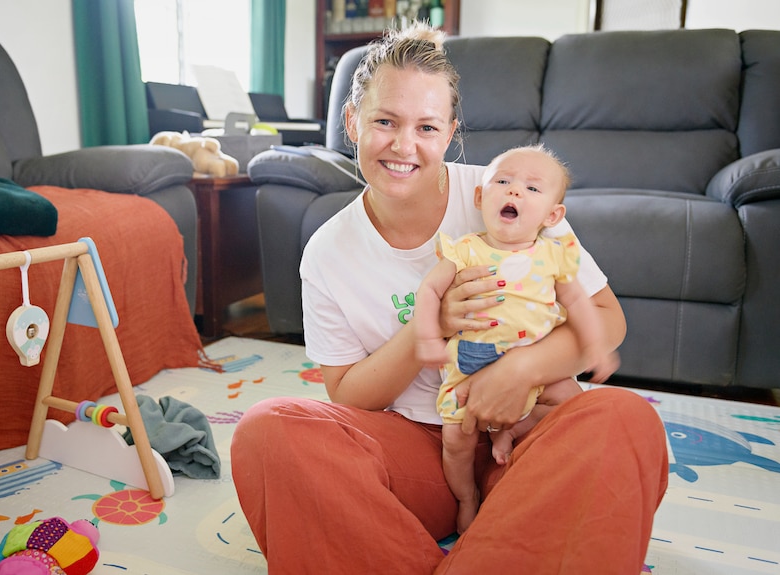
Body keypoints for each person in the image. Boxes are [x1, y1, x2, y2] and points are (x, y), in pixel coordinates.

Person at [231, 22, 668, 574]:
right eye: (384, 121)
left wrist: (520, 372)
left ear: (450, 132)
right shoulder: (327, 250)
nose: (403, 145)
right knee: (270, 432)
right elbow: (346, 394)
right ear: (351, 121)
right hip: (425, 453)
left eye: (427, 127)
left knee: (624, 419)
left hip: (533, 437)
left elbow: (606, 320)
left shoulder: (508, 191)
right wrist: (425, 329)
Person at [415, 144, 620, 533]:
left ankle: (513, 440)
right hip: (471, 367)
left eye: (532, 188)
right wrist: (427, 337)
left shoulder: (554, 257)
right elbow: (429, 292)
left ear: (553, 214)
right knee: (456, 440)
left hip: (538, 370)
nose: (514, 192)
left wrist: (596, 347)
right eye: (503, 182)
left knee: (572, 410)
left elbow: (578, 303)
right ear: (480, 197)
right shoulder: (465, 250)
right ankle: (467, 497)